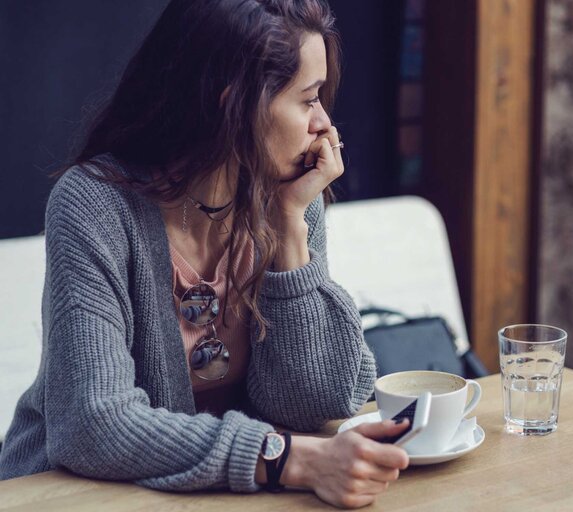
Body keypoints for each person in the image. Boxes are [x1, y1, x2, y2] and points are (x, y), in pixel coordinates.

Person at [0, 0, 411, 508]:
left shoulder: (287, 199)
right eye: (307, 100)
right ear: (229, 105)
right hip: (71, 496)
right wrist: (286, 459)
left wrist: (289, 229)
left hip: (219, 495)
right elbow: (93, 423)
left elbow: (313, 402)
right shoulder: (94, 206)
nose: (325, 124)